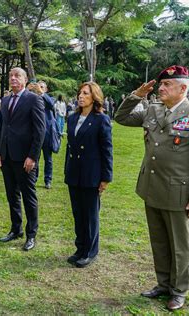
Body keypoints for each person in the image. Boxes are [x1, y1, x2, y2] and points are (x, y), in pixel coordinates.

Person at [115, 65, 189, 311]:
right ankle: (163, 284)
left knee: (180, 246)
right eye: (160, 84)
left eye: (167, 85)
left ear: (183, 88)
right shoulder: (152, 110)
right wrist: (136, 95)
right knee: (159, 241)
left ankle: (179, 290)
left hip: (179, 193)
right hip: (152, 188)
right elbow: (121, 117)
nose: (161, 88)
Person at [0, 67, 45, 251]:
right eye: (11, 76)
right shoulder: (6, 99)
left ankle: (31, 234)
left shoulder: (34, 99)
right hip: (7, 156)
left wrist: (32, 156)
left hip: (25, 158)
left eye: (17, 76)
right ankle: (16, 229)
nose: (13, 78)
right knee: (12, 195)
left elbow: (40, 131)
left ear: (25, 80)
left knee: (28, 196)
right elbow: (1, 127)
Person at [64, 82, 113, 268]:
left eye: (85, 93)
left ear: (95, 97)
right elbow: (70, 146)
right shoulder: (72, 117)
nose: (81, 96)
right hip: (74, 173)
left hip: (92, 174)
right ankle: (80, 248)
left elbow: (106, 150)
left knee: (90, 215)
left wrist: (105, 178)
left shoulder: (101, 119)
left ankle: (90, 252)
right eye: (80, 93)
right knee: (78, 214)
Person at [38, 80, 56, 189]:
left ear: (46, 89)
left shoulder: (50, 98)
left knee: (48, 159)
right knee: (34, 159)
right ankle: (33, 179)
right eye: (38, 87)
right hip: (35, 134)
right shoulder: (33, 98)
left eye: (42, 87)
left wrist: (42, 93)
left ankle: (48, 180)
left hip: (47, 134)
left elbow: (51, 104)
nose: (39, 88)